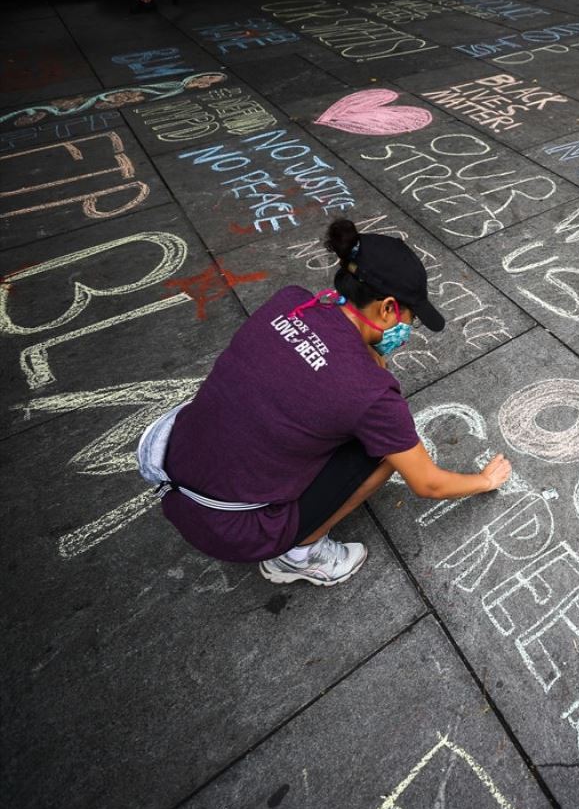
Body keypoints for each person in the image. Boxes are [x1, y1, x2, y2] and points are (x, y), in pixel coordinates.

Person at [155, 220, 512, 586]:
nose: (409, 327)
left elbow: (315, 367)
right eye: (412, 317)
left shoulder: (291, 302)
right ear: (388, 309)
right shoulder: (368, 392)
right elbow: (428, 484)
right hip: (236, 527)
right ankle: (298, 556)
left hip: (174, 474)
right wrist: (484, 481)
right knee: (384, 450)